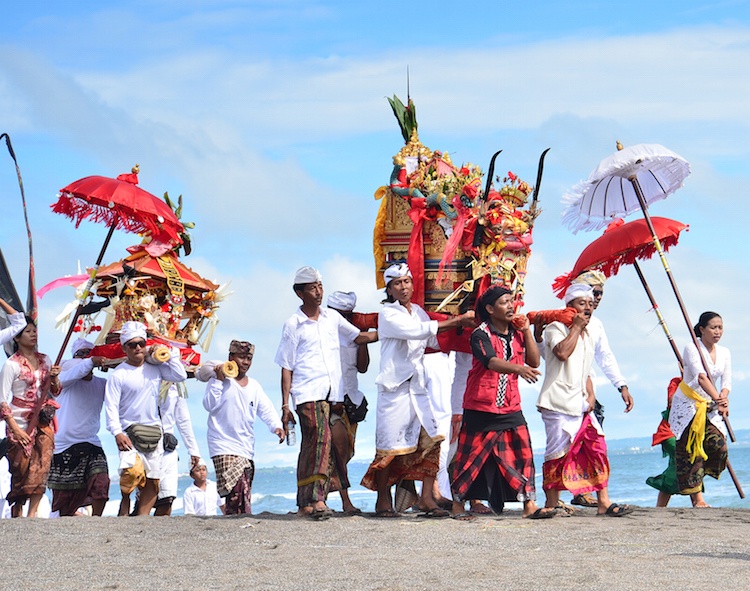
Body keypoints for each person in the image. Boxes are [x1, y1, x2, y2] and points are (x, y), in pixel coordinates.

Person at [360, 263, 475, 518]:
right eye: (397, 283)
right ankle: (383, 500)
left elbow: (431, 340)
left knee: (431, 440)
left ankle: (426, 499)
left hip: (418, 386)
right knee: (388, 448)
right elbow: (416, 332)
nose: (403, 287)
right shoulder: (388, 314)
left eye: (407, 281)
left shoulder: (420, 312)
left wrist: (463, 334)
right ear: (389, 289)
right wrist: (456, 320)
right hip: (395, 389)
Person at [275, 267, 376, 519]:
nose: (318, 292)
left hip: (332, 395)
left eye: (320, 286)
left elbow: (359, 337)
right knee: (321, 440)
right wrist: (285, 405)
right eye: (312, 288)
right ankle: (317, 499)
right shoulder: (293, 324)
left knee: (313, 445)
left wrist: (390, 330)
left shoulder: (332, 318)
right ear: (300, 293)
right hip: (307, 391)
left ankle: (305, 502)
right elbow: (286, 366)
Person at [450, 285, 551, 520]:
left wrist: (526, 331)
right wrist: (518, 368)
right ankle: (457, 505)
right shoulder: (480, 334)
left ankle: (529, 505)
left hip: (510, 405)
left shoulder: (516, 334)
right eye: (505, 302)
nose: (511, 305)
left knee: (523, 453)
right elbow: (490, 361)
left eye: (511, 301)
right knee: (469, 458)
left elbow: (534, 362)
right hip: (480, 405)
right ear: (489, 308)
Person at [536, 284, 632, 517]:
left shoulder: (590, 331)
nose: (588, 308)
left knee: (597, 447)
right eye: (582, 304)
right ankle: (552, 503)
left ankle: (604, 502)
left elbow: (588, 368)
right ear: (569, 307)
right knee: (556, 453)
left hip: (581, 404)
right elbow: (562, 353)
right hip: (557, 402)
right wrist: (576, 328)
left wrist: (591, 395)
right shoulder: (555, 328)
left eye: (590, 304)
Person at [105, 321, 187, 516]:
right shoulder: (118, 374)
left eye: (141, 343)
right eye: (132, 345)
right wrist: (117, 432)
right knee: (131, 474)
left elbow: (180, 375)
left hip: (154, 430)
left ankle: (142, 518)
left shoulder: (156, 368)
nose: (138, 348)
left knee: (153, 479)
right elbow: (111, 406)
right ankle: (124, 509)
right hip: (129, 430)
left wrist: (165, 353)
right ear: (125, 348)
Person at [204, 340, 284, 515]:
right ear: (231, 357)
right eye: (241, 357)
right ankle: (237, 522)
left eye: (249, 358)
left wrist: (276, 426)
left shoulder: (254, 385)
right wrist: (218, 379)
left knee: (243, 493)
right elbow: (209, 405)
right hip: (222, 444)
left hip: (245, 448)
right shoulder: (220, 380)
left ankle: (236, 524)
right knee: (236, 490)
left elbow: (266, 409)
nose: (245, 362)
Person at [0, 316, 61, 517]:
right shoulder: (11, 364)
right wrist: (15, 429)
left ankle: (32, 514)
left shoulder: (46, 360)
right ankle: (17, 508)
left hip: (43, 418)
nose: (33, 334)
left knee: (42, 462)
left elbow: (55, 391)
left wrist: (54, 378)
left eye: (35, 330)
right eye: (28, 331)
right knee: (21, 467)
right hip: (19, 421)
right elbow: (2, 399)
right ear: (17, 338)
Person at [668, 311, 730, 506]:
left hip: (710, 406)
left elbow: (726, 381)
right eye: (713, 327)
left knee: (718, 446)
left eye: (720, 327)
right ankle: (697, 500)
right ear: (702, 329)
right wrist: (717, 399)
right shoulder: (692, 348)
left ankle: (704, 476)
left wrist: (724, 398)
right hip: (688, 405)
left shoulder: (725, 352)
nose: (717, 331)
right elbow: (701, 377)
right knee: (692, 450)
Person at [47, 338, 110, 517]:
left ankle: (96, 520)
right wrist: (91, 360)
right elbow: (76, 371)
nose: (83, 357)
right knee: (64, 502)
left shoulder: (101, 384)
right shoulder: (64, 380)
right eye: (79, 354)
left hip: (91, 441)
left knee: (101, 485)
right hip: (63, 445)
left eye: (87, 353)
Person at [327, 290, 374, 515]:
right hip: (330, 400)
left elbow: (363, 367)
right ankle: (345, 501)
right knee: (338, 448)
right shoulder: (324, 334)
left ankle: (325, 496)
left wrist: (362, 337)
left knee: (344, 453)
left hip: (351, 401)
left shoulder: (353, 335)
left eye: (348, 315)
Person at [153, 383, 201, 516]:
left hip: (168, 448)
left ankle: (157, 532)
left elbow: (183, 420)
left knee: (167, 498)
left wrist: (193, 450)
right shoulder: (144, 378)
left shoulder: (175, 387)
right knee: (147, 497)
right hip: (146, 445)